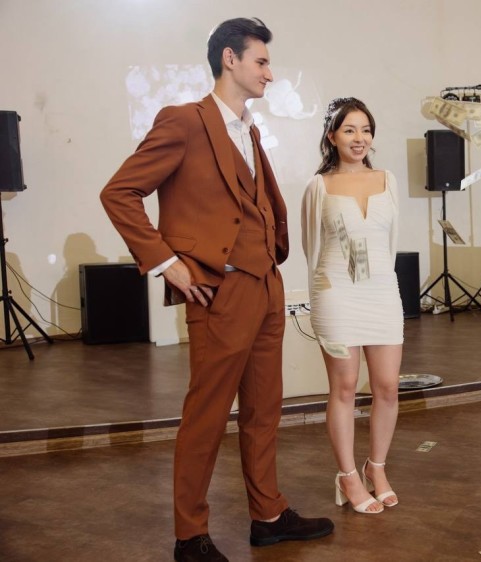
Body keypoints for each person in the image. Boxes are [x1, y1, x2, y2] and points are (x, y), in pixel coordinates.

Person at [100, 17, 333, 562]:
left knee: (264, 409)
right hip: (219, 290)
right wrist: (166, 262)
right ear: (230, 59)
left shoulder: (249, 130)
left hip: (266, 285)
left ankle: (268, 516)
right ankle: (190, 535)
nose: (269, 74)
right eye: (261, 61)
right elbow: (119, 193)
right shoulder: (184, 121)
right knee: (206, 414)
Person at [301, 97, 403, 515]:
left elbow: (391, 243)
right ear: (332, 136)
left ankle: (376, 468)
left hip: (382, 291)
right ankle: (347, 475)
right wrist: (318, 300)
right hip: (337, 293)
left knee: (388, 387)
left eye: (366, 130)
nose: (359, 138)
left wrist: (381, 281)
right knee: (344, 388)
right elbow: (311, 249)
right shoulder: (318, 186)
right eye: (349, 130)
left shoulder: (388, 180)